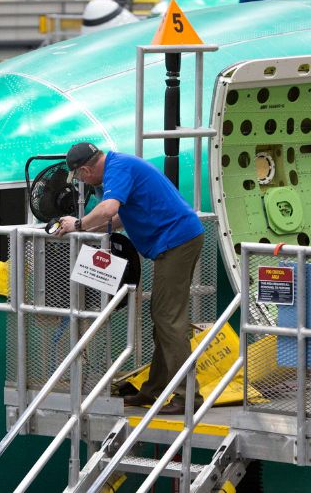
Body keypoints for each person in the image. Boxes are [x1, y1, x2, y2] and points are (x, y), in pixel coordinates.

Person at [55, 142, 204, 415]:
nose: (81, 182)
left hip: (177, 241)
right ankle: (155, 390)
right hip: (174, 241)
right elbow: (119, 218)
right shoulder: (119, 165)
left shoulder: (118, 167)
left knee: (169, 318)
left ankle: (188, 396)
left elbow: (109, 209)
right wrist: (77, 229)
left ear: (86, 170)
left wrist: (77, 224)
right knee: (162, 317)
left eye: (79, 177)